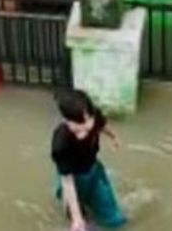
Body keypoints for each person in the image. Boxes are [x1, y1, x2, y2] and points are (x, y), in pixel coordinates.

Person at [51, 88, 126, 230]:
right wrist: (77, 218)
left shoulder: (95, 116)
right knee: (78, 219)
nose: (83, 133)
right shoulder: (60, 144)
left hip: (93, 171)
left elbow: (102, 125)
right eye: (77, 129)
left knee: (115, 220)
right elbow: (67, 180)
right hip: (73, 177)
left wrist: (114, 137)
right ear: (65, 121)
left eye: (86, 126)